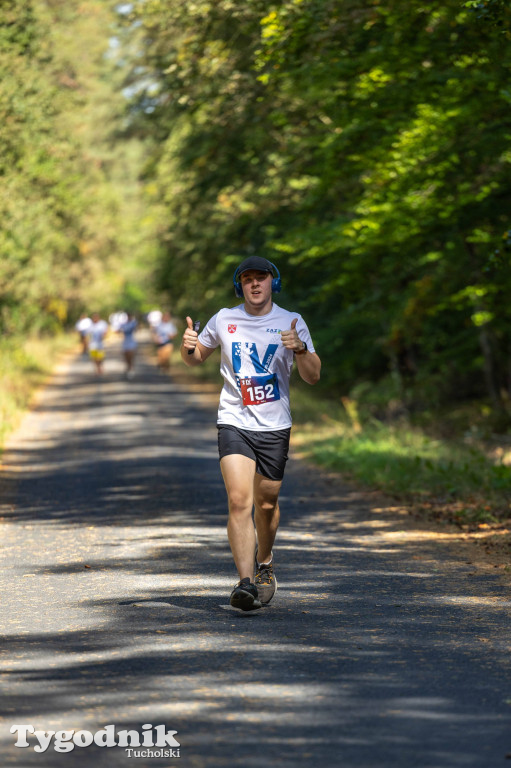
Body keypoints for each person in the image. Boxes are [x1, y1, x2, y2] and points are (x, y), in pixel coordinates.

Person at [181, 256, 321, 611]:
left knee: (266, 503)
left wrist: (300, 349)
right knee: (239, 501)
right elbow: (196, 357)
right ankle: (244, 584)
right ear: (239, 285)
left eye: (262, 278)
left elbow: (313, 376)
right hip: (234, 421)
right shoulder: (224, 318)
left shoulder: (291, 321)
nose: (255, 284)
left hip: (274, 425)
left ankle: (265, 561)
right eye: (247, 279)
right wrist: (188, 344)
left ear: (273, 283)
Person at [119, 312, 138, 379]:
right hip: (125, 342)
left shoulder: (133, 323)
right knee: (126, 356)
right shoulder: (123, 324)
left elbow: (136, 329)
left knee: (131, 356)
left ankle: (131, 368)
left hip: (132, 342)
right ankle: (128, 367)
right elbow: (119, 330)